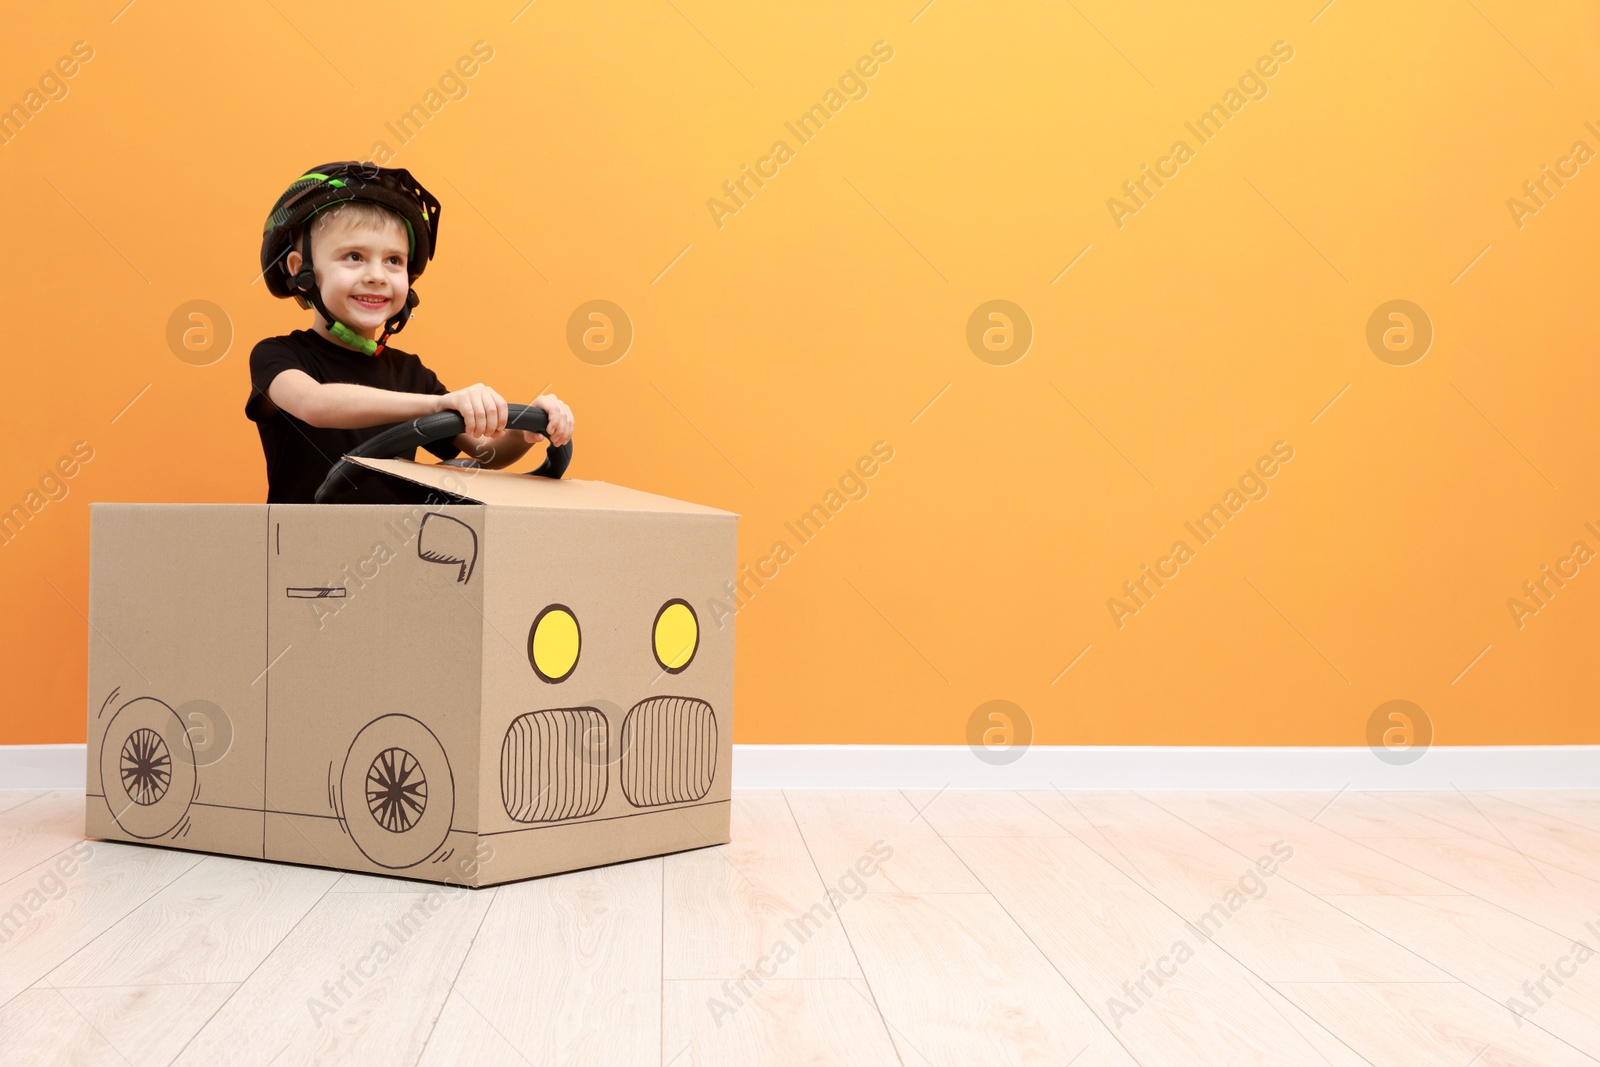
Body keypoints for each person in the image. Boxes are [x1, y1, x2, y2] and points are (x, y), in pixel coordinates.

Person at [245, 161, 573, 503]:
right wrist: (439, 405)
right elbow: (314, 404)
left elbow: (487, 454)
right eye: (354, 256)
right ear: (302, 270)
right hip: (301, 548)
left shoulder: (412, 375)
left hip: (392, 552)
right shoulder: (278, 355)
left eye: (393, 261)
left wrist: (528, 430)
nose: (377, 276)